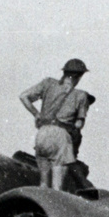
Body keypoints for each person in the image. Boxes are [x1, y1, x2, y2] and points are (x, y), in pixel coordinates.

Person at [19, 59, 91, 189]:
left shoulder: (48, 83)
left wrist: (36, 114)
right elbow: (79, 124)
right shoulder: (81, 96)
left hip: (42, 134)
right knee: (57, 189)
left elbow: (23, 96)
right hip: (61, 137)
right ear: (78, 76)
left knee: (43, 184)